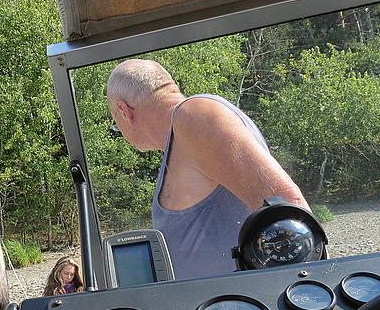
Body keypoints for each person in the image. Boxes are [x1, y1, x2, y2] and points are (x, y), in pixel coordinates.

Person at [106, 59, 312, 279]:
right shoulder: (183, 135)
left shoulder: (194, 116)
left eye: (116, 124)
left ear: (124, 111)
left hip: (243, 305)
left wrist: (310, 297)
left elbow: (288, 209)